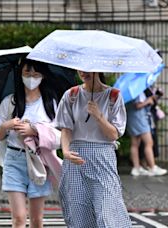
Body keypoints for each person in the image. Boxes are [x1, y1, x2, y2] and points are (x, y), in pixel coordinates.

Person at [55, 71, 132, 227]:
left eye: (88, 68)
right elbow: (66, 129)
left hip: (103, 157)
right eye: (80, 68)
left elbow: (113, 135)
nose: (83, 72)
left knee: (107, 214)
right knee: (79, 214)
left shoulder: (113, 96)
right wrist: (66, 151)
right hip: (76, 158)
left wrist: (99, 116)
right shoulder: (71, 95)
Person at [0, 58, 59, 228]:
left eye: (35, 73)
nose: (31, 77)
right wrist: (7, 125)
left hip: (40, 161)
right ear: (20, 74)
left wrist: (34, 131)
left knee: (36, 220)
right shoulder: (10, 102)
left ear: (43, 76)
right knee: (19, 218)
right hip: (14, 160)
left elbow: (59, 135)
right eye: (27, 72)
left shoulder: (50, 102)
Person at [126, 90, 167, 176]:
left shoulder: (129, 91)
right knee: (149, 142)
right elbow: (138, 105)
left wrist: (151, 98)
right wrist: (148, 101)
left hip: (132, 119)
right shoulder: (136, 90)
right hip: (140, 119)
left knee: (135, 144)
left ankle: (136, 168)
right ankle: (152, 167)